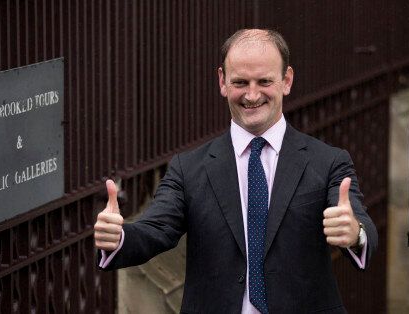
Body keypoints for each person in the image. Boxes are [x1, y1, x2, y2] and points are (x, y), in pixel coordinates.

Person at [94, 29, 378, 313]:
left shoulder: (328, 162)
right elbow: (156, 229)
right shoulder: (188, 168)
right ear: (222, 81)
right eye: (241, 82)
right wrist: (119, 238)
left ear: (287, 80)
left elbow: (363, 229)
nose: (252, 95)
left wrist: (354, 233)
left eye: (264, 81)